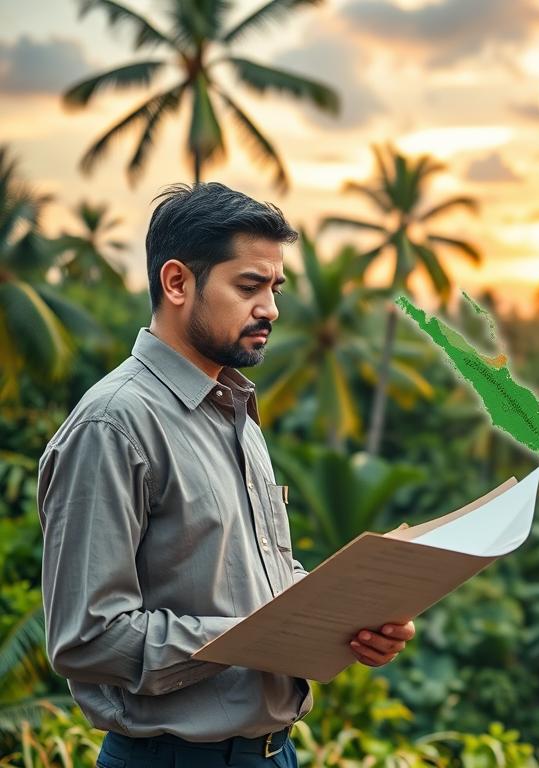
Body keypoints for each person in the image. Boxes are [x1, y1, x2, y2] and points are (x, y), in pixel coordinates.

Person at [36, 182, 416, 767]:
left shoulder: (233, 410)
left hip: (273, 752)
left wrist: (348, 623)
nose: (271, 309)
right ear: (178, 282)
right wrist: (248, 637)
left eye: (275, 288)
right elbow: (86, 640)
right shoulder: (114, 426)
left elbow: (257, 576)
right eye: (249, 286)